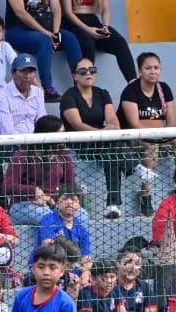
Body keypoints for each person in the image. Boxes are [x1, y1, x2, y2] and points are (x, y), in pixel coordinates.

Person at [118, 52, 176, 217]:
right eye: (148, 68)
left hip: (159, 135)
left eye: (156, 68)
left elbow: (171, 122)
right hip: (135, 138)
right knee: (152, 147)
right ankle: (145, 195)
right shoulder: (130, 91)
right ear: (139, 71)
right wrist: (156, 134)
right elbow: (134, 124)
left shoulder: (164, 89)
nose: (153, 71)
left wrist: (164, 135)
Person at [60, 57, 124, 219]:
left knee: (113, 152)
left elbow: (112, 118)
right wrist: (101, 133)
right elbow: (77, 124)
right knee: (113, 151)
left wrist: (113, 128)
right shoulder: (69, 96)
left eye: (92, 70)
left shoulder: (102, 93)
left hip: (102, 144)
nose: (88, 73)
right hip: (80, 143)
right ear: (75, 76)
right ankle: (133, 167)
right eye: (83, 71)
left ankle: (112, 204)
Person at [4, 115, 81, 225]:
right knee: (47, 216)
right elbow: (7, 186)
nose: (64, 137)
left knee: (82, 215)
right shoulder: (22, 155)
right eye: (60, 133)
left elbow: (70, 184)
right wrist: (34, 191)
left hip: (54, 203)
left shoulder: (63, 155)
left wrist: (61, 200)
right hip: (24, 204)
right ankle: (54, 237)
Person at [4, 0, 83, 102]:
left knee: (69, 37)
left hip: (43, 28)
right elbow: (20, 12)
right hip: (17, 30)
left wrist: (55, 34)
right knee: (44, 40)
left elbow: (57, 10)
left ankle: (81, 84)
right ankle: (47, 89)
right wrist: (45, 33)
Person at [60, 0, 136, 82]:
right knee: (87, 43)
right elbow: (68, 13)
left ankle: (133, 83)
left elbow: (105, 10)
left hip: (93, 20)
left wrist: (105, 26)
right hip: (73, 23)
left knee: (120, 42)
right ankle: (85, 85)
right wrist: (88, 29)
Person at [34, 189, 92, 278]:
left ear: (79, 205)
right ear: (57, 204)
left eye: (73, 200)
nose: (69, 202)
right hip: (48, 268)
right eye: (64, 199)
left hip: (74, 271)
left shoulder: (81, 228)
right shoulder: (48, 220)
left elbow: (86, 256)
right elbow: (47, 244)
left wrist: (86, 273)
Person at [0, 53, 47, 135]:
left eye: (31, 72)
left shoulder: (38, 92)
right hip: (10, 141)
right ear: (13, 73)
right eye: (23, 71)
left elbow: (42, 121)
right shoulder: (2, 96)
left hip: (35, 140)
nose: (27, 76)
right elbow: (8, 131)